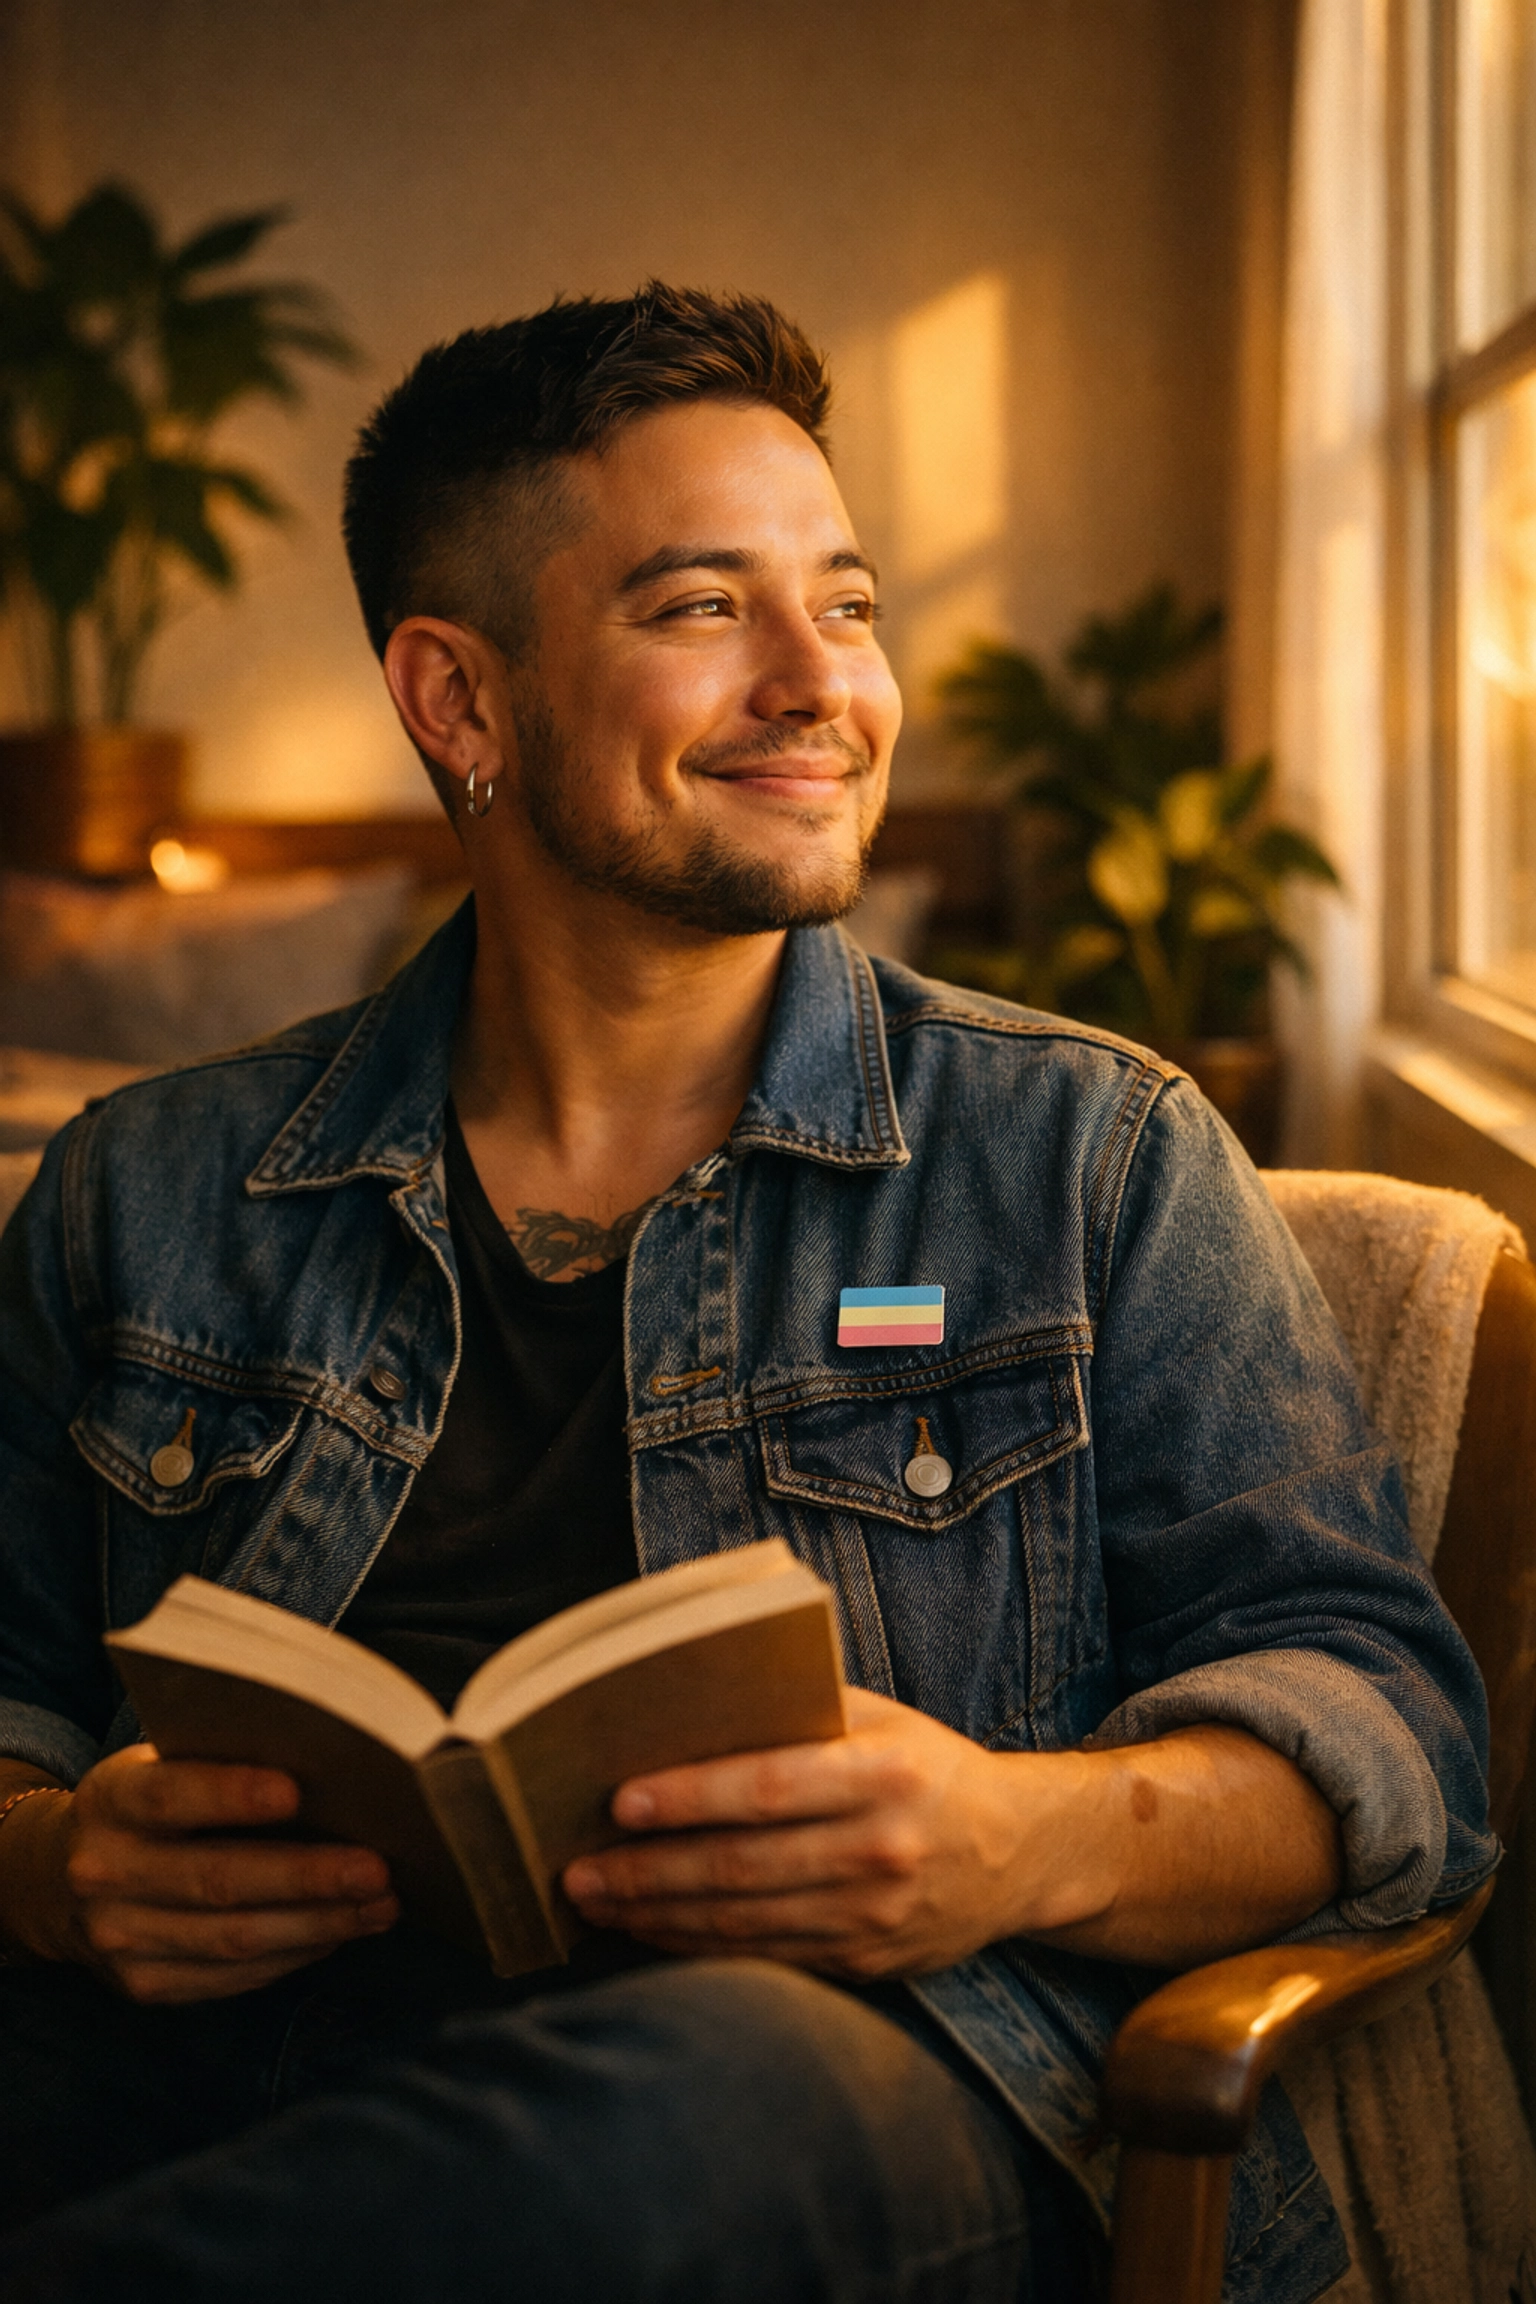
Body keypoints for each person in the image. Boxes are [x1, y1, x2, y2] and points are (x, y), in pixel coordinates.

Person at [0, 286, 1495, 2304]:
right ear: (462, 701)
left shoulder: (1092, 1157)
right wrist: (55, 1868)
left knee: (697, 2091)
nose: (824, 683)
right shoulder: (141, 1191)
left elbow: (1386, 1731)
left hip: (850, 2098)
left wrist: (1012, 1837)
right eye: (705, 606)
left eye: (851, 602)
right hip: (230, 2083)